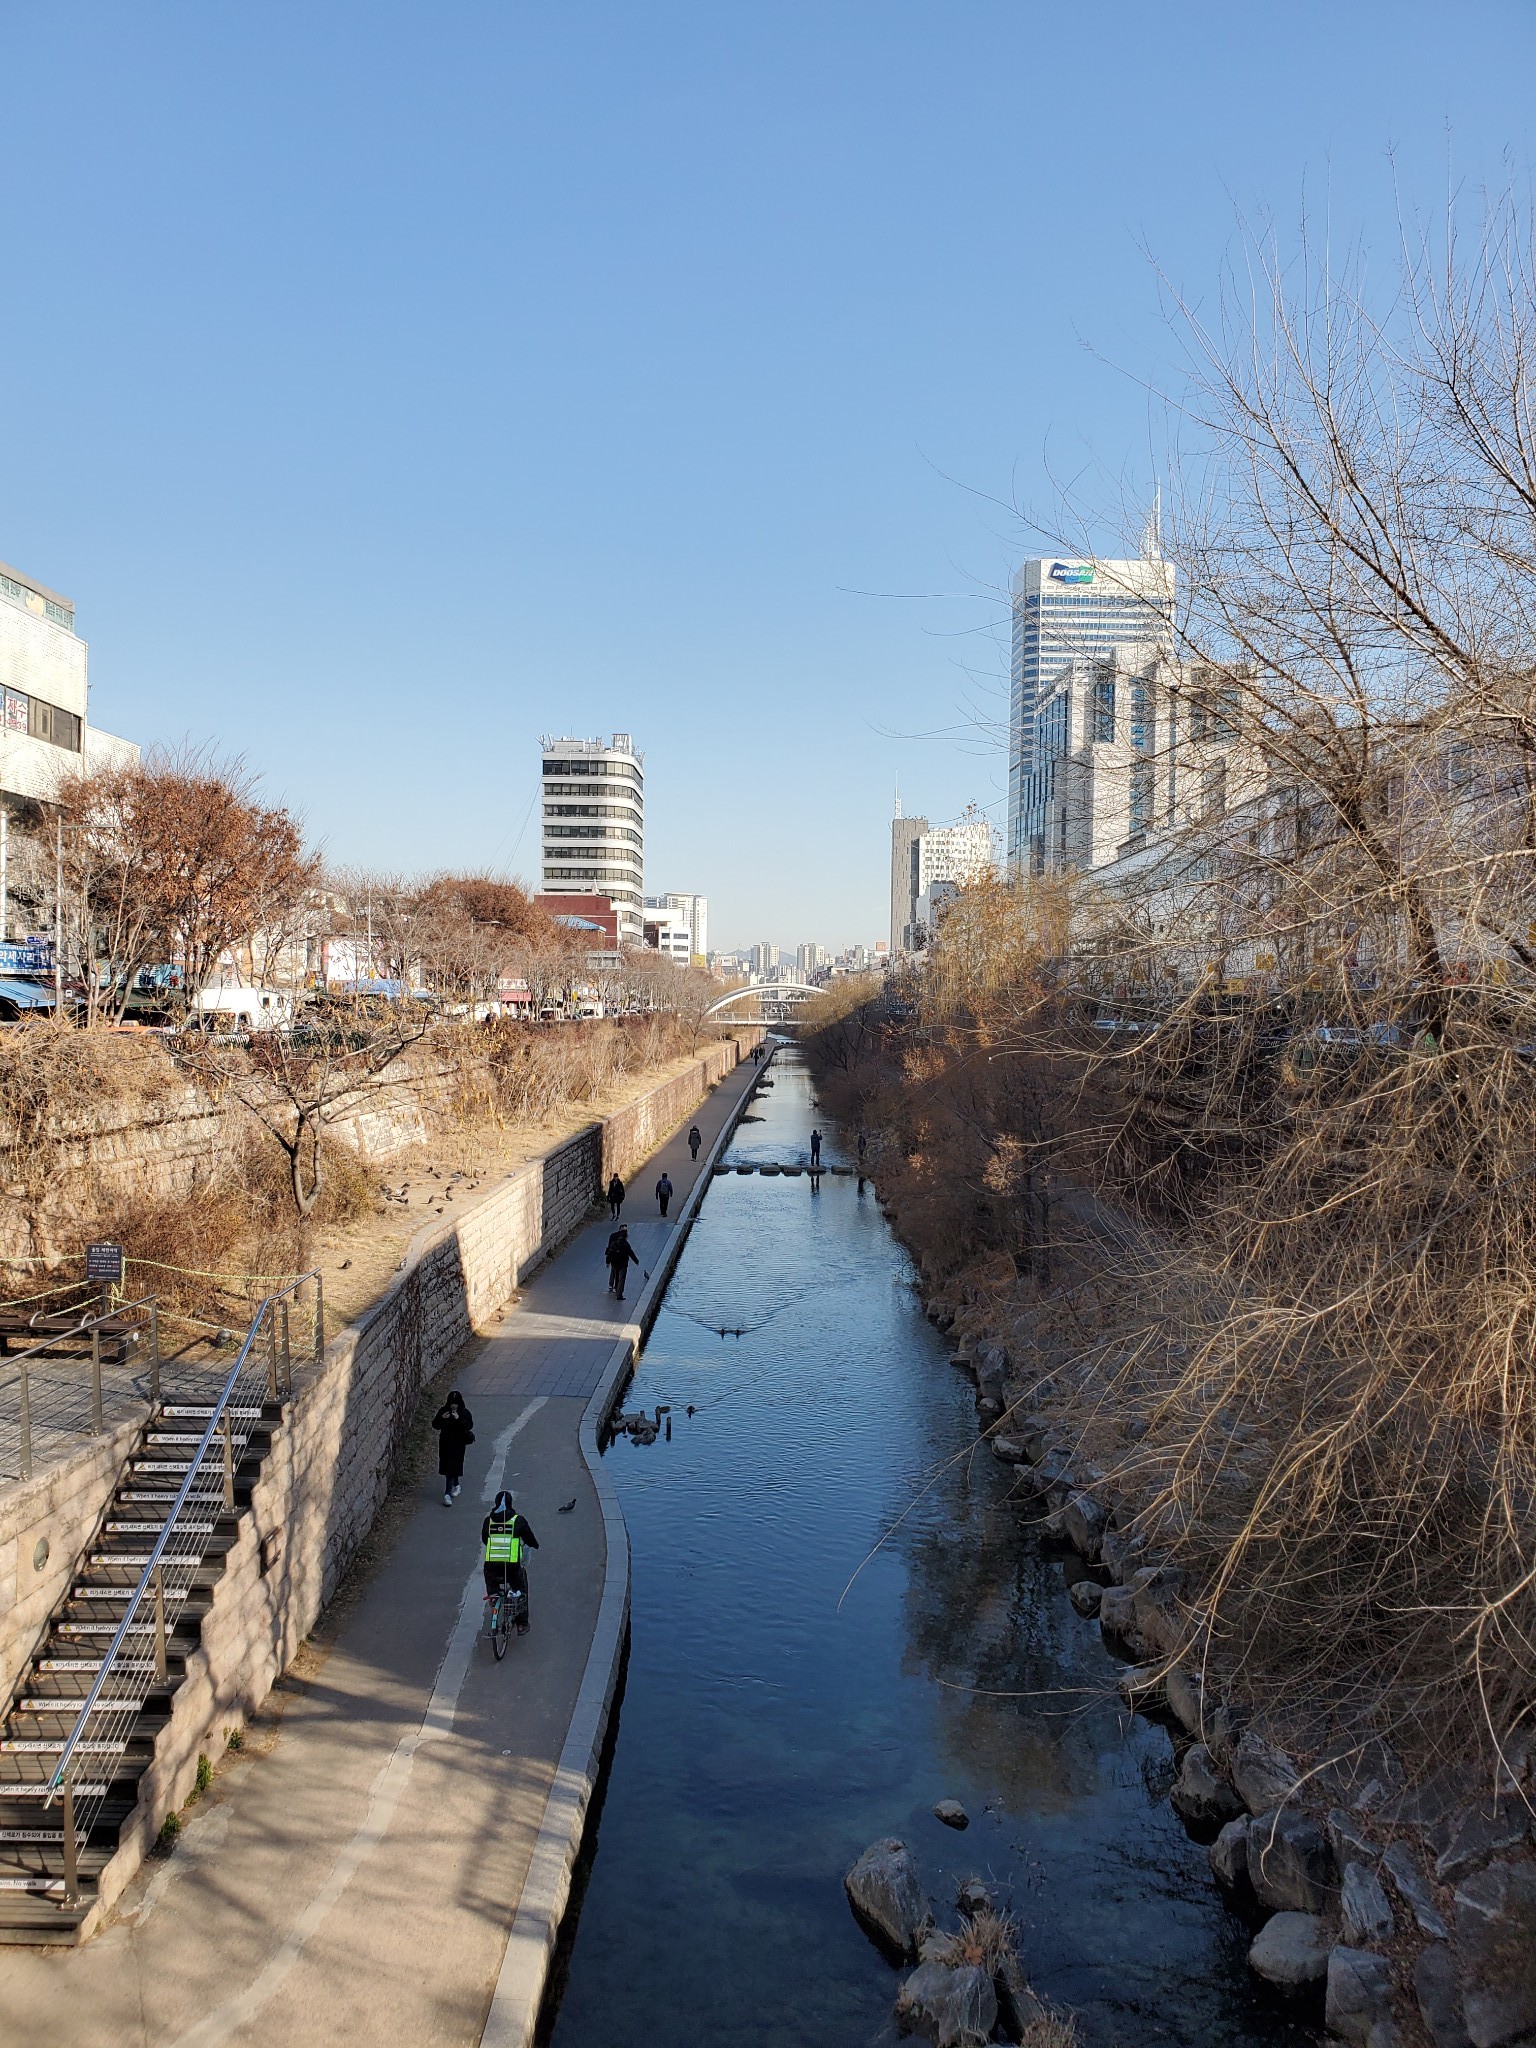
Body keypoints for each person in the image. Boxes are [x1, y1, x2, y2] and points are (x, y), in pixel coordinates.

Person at [482, 1489, 539, 1636]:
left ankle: (494, 1596)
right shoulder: (518, 1520)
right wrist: (534, 1544)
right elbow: (529, 1538)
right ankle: (522, 1624)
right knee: (520, 1590)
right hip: (512, 1567)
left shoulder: (488, 1520)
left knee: (489, 1574)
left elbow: (485, 1540)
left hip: (493, 1567)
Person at [432, 1391, 475, 1505]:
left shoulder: (464, 1413)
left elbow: (469, 1425)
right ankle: (456, 1484)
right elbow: (435, 1425)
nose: (453, 1406)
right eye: (452, 1403)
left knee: (452, 1465)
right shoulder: (444, 1411)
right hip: (445, 1443)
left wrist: (459, 1419)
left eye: (455, 1403)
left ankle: (447, 1493)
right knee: (448, 1466)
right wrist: (442, 1418)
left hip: (458, 1444)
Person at [605, 1223, 640, 1299]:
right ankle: (619, 1293)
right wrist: (636, 1261)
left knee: (615, 1275)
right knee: (622, 1278)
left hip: (614, 1262)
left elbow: (610, 1251)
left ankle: (613, 1286)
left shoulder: (614, 1242)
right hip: (623, 1264)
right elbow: (630, 1253)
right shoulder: (626, 1244)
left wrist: (608, 1261)